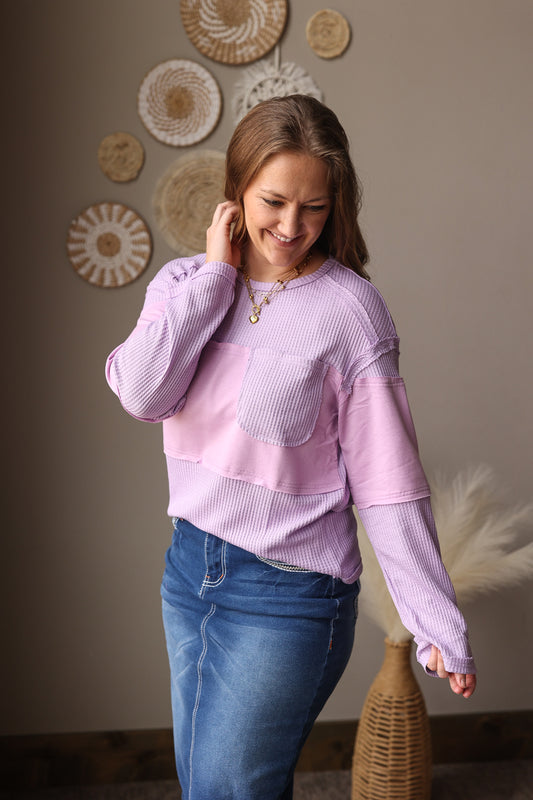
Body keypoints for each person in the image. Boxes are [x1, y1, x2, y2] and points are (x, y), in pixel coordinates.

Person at [105, 94, 476, 800]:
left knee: (225, 792)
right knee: (204, 788)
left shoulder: (349, 312)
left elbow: (388, 482)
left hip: (287, 592)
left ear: (335, 205)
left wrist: (435, 623)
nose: (291, 226)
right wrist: (215, 279)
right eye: (273, 201)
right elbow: (142, 394)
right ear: (235, 192)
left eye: (314, 207)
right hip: (188, 571)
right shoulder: (185, 286)